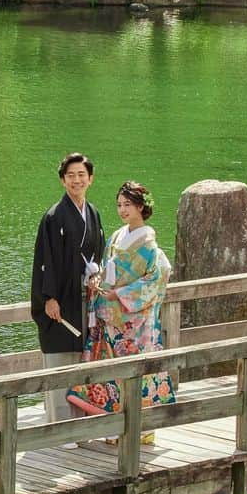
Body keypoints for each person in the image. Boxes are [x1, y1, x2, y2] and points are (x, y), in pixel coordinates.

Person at [67, 180, 176, 443]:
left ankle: (144, 428)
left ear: (141, 207)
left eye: (128, 204)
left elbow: (157, 278)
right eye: (119, 205)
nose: (122, 210)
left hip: (135, 323)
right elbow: (106, 268)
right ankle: (115, 425)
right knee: (110, 371)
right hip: (110, 316)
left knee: (136, 372)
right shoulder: (117, 236)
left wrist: (123, 294)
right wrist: (96, 280)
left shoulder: (149, 245)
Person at [31, 153, 106, 423]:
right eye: (71, 175)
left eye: (81, 175)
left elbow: (98, 252)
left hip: (85, 299)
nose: (77, 180)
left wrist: (97, 275)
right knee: (61, 360)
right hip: (61, 300)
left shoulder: (94, 213)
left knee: (82, 358)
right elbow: (45, 261)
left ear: (91, 179)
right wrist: (48, 298)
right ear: (63, 180)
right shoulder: (53, 217)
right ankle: (59, 422)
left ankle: (81, 419)